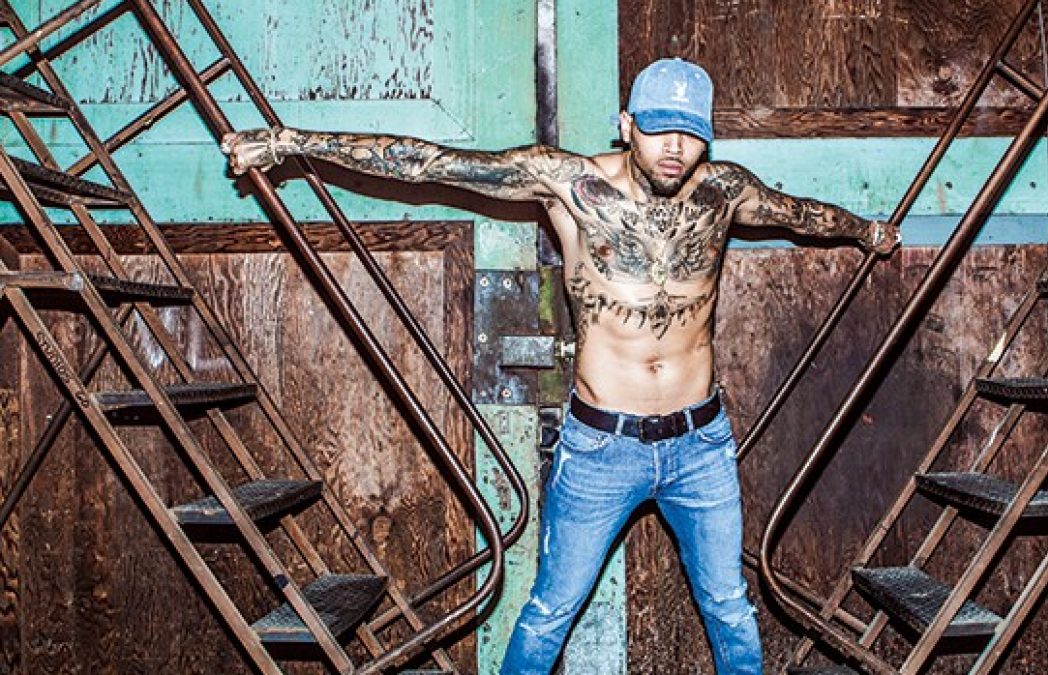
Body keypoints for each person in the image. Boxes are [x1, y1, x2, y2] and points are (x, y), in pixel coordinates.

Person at [222, 57, 899, 675]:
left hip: (701, 445)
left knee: (729, 606)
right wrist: (286, 143)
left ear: (706, 137)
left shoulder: (723, 191)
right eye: (658, 129)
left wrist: (867, 230)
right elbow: (429, 163)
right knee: (551, 609)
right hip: (602, 447)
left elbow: (804, 215)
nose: (673, 148)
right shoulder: (568, 183)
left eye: (689, 134)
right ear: (627, 125)